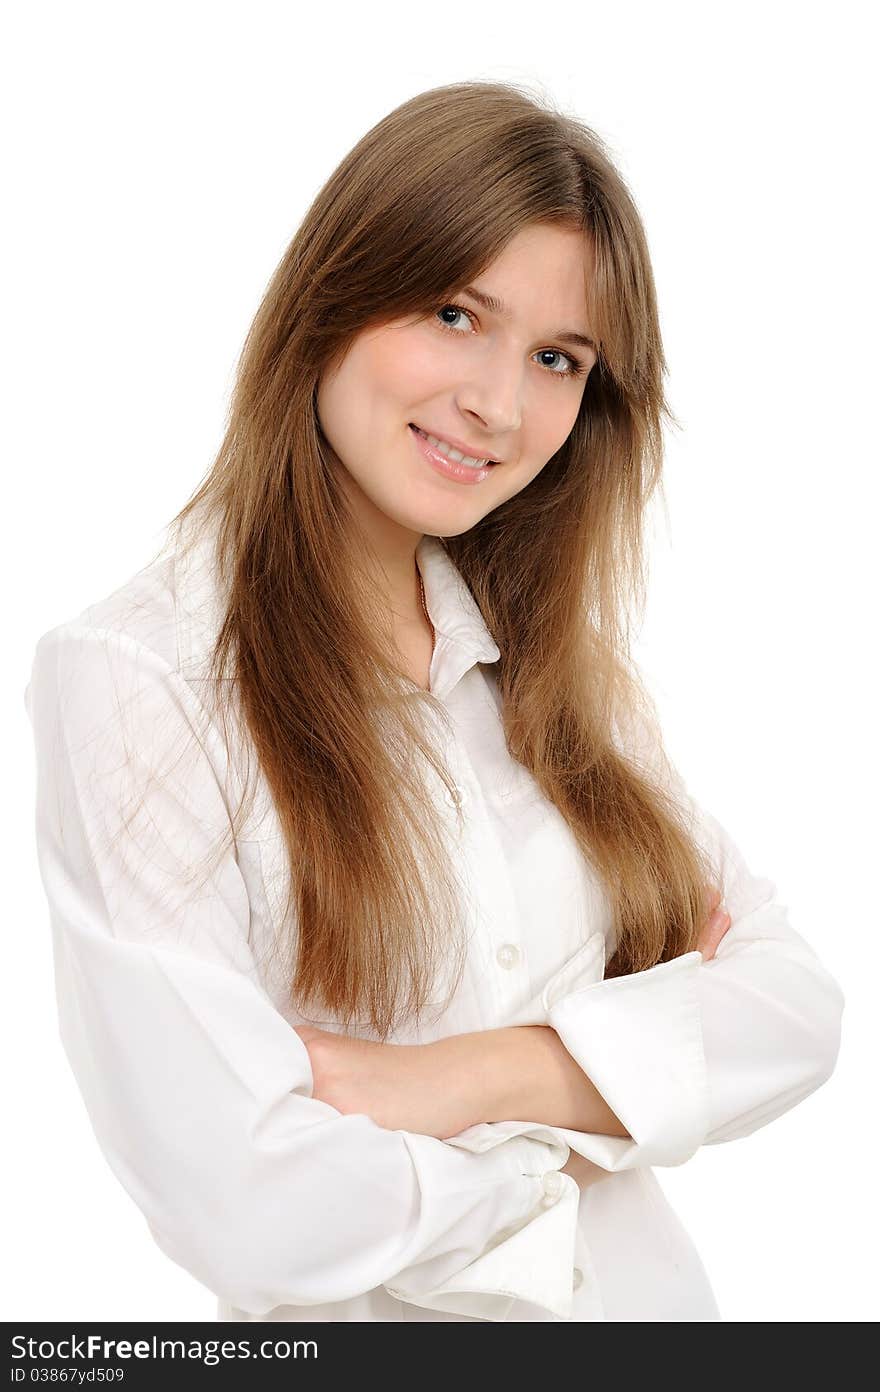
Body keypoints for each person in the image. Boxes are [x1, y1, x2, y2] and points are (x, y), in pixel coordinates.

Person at [24, 79, 844, 1323]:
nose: (500, 407)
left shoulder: (560, 679)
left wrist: (462, 1080)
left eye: (557, 358)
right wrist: (583, 1130)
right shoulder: (145, 684)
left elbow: (792, 1010)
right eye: (455, 313)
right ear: (333, 293)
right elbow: (247, 1199)